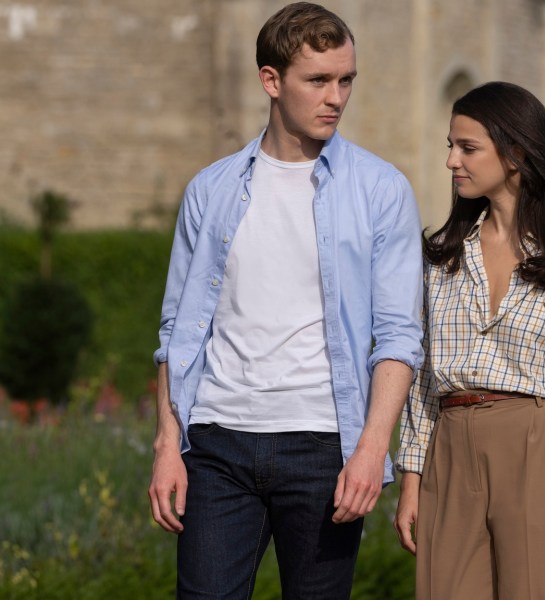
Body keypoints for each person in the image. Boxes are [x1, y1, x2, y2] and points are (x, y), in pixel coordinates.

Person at [147, 3, 423, 598]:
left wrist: (373, 448)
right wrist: (168, 445)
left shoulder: (381, 191)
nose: (337, 97)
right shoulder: (211, 189)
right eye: (318, 80)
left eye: (346, 79)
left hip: (322, 448)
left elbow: (400, 335)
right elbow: (177, 331)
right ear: (271, 81)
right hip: (217, 442)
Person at [394, 81, 545, 599]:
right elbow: (422, 378)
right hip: (449, 448)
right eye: (450, 146)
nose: (452, 160)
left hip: (539, 444)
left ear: (517, 153)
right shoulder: (443, 258)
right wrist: (411, 477)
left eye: (467, 148)